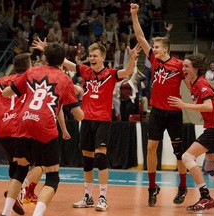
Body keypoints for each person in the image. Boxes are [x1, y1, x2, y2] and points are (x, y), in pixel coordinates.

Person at [27, 36, 141, 212]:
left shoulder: (110, 74)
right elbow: (63, 61)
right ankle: (88, 196)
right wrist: (46, 49)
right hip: (86, 120)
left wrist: (133, 57)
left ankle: (103, 197)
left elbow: (126, 72)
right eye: (91, 55)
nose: (93, 58)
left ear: (103, 57)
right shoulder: (86, 71)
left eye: (95, 55)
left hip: (102, 120)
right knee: (87, 161)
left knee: (100, 157)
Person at [0, 42, 84, 216]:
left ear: (45, 58)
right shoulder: (65, 79)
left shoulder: (32, 71)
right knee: (53, 177)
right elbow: (78, 115)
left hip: (24, 122)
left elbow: (6, 92)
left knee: (21, 169)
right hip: (45, 126)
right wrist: (82, 97)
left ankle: (5, 213)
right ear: (63, 61)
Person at [130, 3, 189, 207]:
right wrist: (134, 15)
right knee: (151, 148)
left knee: (178, 152)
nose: (153, 49)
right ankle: (152, 188)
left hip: (174, 113)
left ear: (165, 49)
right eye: (153, 47)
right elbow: (140, 37)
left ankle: (182, 186)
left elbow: (193, 82)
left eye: (156, 47)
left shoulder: (180, 65)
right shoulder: (154, 60)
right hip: (156, 111)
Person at [168, 53, 214, 213]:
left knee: (187, 157)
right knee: (210, 168)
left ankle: (205, 197)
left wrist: (184, 105)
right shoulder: (194, 83)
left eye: (187, 67)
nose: (184, 69)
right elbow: (185, 77)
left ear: (196, 69)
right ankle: (206, 197)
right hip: (212, 127)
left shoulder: (201, 84)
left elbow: (209, 106)